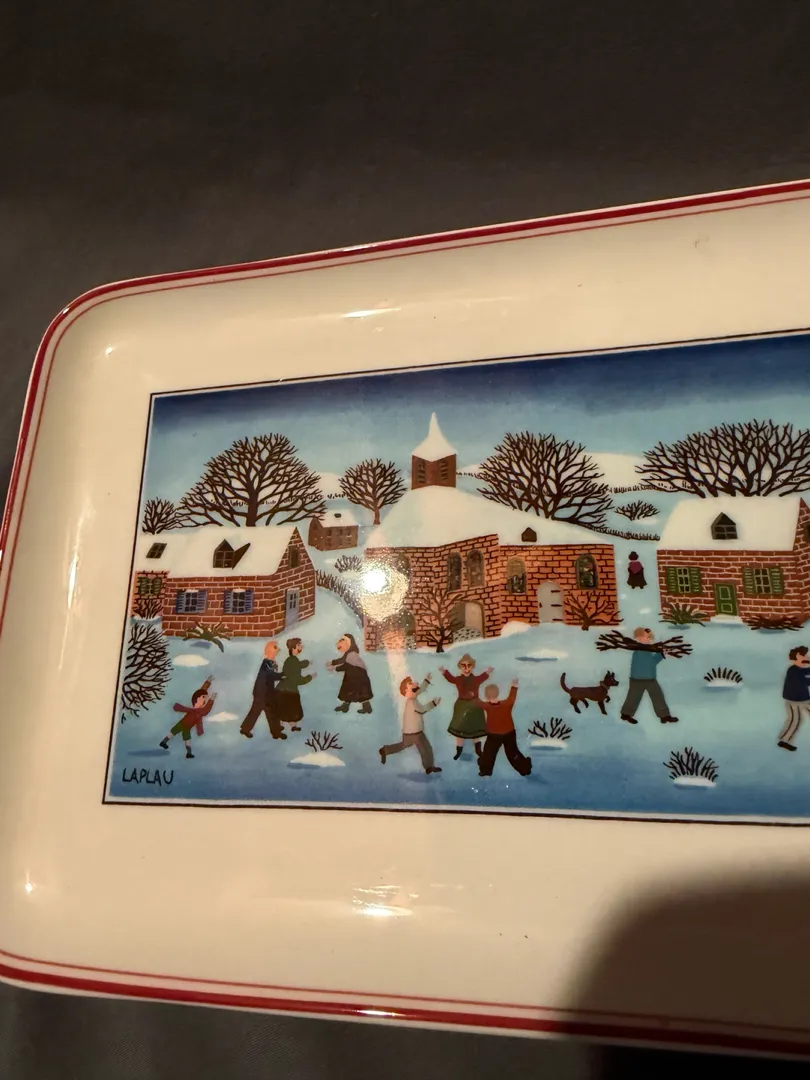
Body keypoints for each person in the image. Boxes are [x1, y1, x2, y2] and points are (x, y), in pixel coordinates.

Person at [379, 674, 443, 774]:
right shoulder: (412, 703)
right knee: (425, 748)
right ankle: (429, 766)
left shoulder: (412, 699)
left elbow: (419, 690)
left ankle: (385, 750)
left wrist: (426, 681)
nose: (415, 684)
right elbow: (422, 709)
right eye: (410, 683)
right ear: (406, 691)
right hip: (415, 733)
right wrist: (433, 703)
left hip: (411, 733)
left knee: (405, 746)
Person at [619, 628, 679, 725]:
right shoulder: (638, 651)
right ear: (639, 638)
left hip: (650, 679)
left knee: (658, 696)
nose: (649, 640)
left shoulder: (648, 651)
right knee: (633, 697)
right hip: (637, 679)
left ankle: (664, 716)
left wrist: (661, 654)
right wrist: (659, 653)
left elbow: (653, 662)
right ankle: (626, 714)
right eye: (647, 637)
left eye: (650, 638)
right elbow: (649, 662)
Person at [440, 654, 492, 759]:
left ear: (472, 667)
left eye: (469, 666)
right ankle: (459, 750)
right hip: (461, 707)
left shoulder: (476, 679)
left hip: (475, 707)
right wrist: (444, 672)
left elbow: (483, 677)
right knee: (459, 730)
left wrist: (488, 672)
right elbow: (450, 678)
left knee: (475, 730)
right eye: (463, 666)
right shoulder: (458, 679)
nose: (466, 669)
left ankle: (478, 750)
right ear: (460, 667)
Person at [478, 678, 532, 777]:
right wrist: (514, 686)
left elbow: (477, 702)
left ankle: (485, 771)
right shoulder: (507, 703)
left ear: (486, 696)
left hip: (494, 734)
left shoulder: (487, 706)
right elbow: (512, 697)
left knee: (489, 753)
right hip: (509, 732)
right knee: (512, 753)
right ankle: (525, 769)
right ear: (497, 693)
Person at [160, 678, 215, 759]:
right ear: (196, 699)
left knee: (187, 739)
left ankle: (189, 753)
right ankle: (164, 742)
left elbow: (207, 708)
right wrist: (208, 681)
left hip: (187, 728)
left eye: (205, 701)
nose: (204, 701)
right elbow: (201, 691)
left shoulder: (200, 712)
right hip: (182, 724)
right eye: (203, 698)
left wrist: (212, 699)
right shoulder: (192, 710)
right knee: (173, 732)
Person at [240, 640, 285, 740]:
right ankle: (245, 729)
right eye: (275, 649)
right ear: (269, 651)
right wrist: (281, 676)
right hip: (261, 694)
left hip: (267, 693)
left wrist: (280, 675)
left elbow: (271, 676)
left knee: (272, 713)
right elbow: (270, 675)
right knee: (255, 712)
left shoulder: (270, 663)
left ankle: (276, 732)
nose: (277, 651)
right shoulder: (266, 663)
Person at [274, 638, 316, 732]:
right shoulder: (293, 661)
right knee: (290, 709)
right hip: (288, 691)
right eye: (299, 645)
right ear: (293, 648)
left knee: (286, 709)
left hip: (283, 689)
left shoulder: (291, 660)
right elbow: (299, 680)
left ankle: (290, 725)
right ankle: (284, 725)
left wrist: (308, 662)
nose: (301, 646)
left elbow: (300, 664)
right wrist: (310, 677)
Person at [326, 633, 373, 714]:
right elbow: (343, 660)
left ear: (349, 643)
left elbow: (346, 665)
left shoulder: (352, 654)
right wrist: (333, 662)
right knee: (349, 690)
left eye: (342, 641)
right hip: (352, 675)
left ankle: (366, 708)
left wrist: (335, 668)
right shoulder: (349, 653)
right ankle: (346, 707)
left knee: (358, 691)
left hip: (359, 676)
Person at [777, 645, 810, 751]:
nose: (807, 658)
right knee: (795, 720)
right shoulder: (793, 671)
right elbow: (804, 681)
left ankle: (784, 738)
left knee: (795, 720)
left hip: (804, 699)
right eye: (805, 656)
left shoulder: (800, 670)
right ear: (798, 656)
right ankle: (785, 740)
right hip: (794, 701)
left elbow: (806, 673)